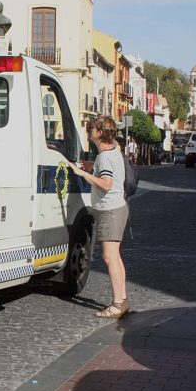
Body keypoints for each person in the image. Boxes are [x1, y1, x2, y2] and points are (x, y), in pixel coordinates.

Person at [68, 116, 129, 319]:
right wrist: (90, 166)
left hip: (109, 211)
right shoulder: (113, 151)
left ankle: (116, 304)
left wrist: (81, 173)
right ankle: (123, 300)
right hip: (117, 208)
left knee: (109, 257)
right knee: (116, 257)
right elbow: (106, 171)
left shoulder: (104, 157)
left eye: (91, 128)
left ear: (100, 132)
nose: (88, 131)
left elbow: (106, 184)